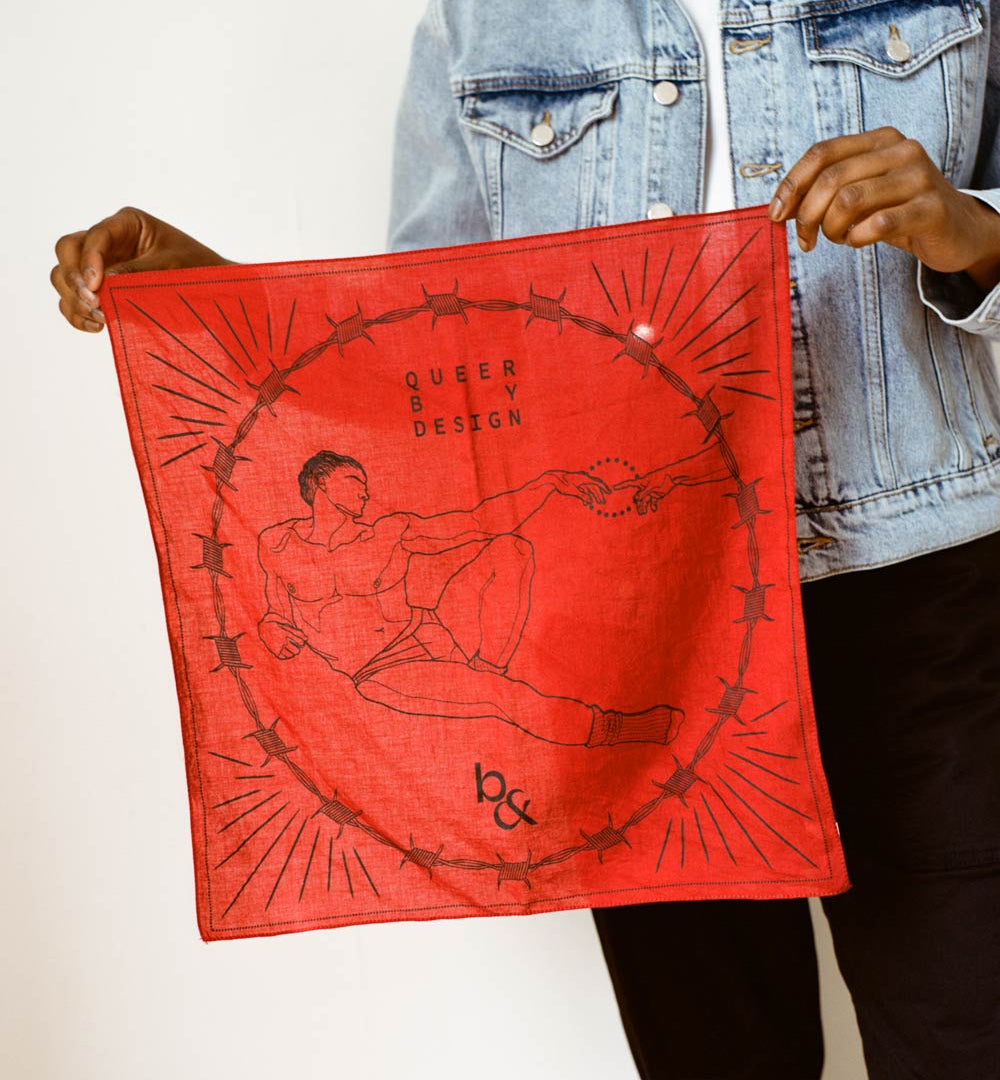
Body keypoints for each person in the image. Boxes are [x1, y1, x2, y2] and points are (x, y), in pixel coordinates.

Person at [49, 2, 1000, 1077]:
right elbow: (437, 359)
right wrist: (210, 298)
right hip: (629, 618)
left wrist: (970, 231)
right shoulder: (485, 17)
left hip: (919, 595)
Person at [256, 448, 684, 747]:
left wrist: (548, 484)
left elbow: (477, 521)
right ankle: (611, 729)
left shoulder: (388, 532)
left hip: (433, 630)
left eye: (365, 485)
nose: (365, 492)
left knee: (510, 549)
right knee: (498, 696)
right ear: (322, 484)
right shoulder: (276, 545)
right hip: (385, 667)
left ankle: (489, 667)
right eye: (355, 482)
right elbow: (276, 613)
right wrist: (270, 630)